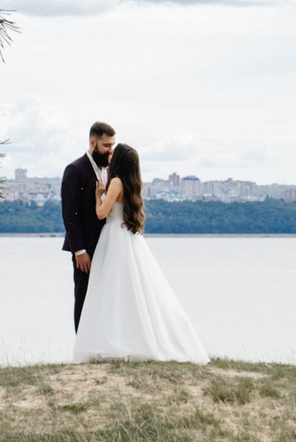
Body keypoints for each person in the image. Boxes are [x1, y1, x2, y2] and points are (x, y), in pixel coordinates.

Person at [72, 142, 209, 363]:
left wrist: (99, 195)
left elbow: (100, 214)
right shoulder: (132, 183)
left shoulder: (115, 182)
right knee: (132, 289)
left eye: (113, 154)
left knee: (111, 288)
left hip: (113, 235)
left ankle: (113, 340)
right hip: (128, 236)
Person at [61, 121, 115, 327]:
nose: (111, 150)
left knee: (106, 297)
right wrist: (79, 251)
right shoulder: (75, 170)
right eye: (107, 145)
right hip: (86, 249)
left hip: (108, 244)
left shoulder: (110, 170)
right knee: (84, 297)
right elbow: (69, 214)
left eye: (112, 145)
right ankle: (82, 349)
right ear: (93, 142)